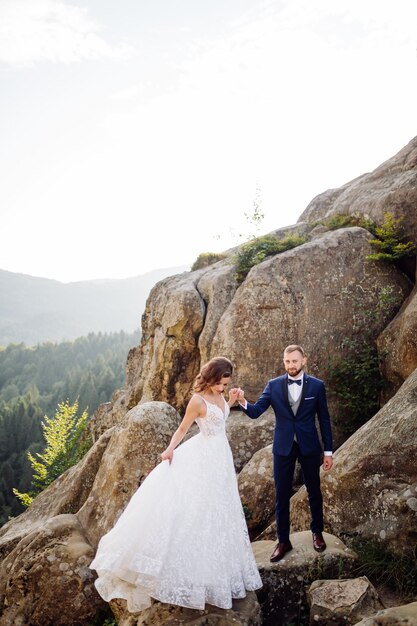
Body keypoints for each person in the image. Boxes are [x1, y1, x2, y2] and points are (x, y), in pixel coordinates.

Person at [90, 356, 262, 612]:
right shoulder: (197, 400)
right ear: (212, 378)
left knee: (217, 510)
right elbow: (182, 429)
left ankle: (213, 572)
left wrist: (233, 400)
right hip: (203, 457)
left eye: (226, 385)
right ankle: (182, 573)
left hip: (220, 459)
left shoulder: (221, 396)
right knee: (196, 508)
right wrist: (170, 449)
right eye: (220, 384)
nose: (223, 388)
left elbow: (221, 413)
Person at [236, 345, 333, 562]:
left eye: (295, 361)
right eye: (287, 362)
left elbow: (324, 420)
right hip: (283, 447)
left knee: (314, 491)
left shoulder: (317, 386)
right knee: (281, 494)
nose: (291, 365)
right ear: (284, 362)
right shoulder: (274, 385)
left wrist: (328, 452)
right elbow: (256, 412)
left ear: (304, 360)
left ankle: (317, 533)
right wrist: (242, 401)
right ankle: (283, 541)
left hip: (309, 446)